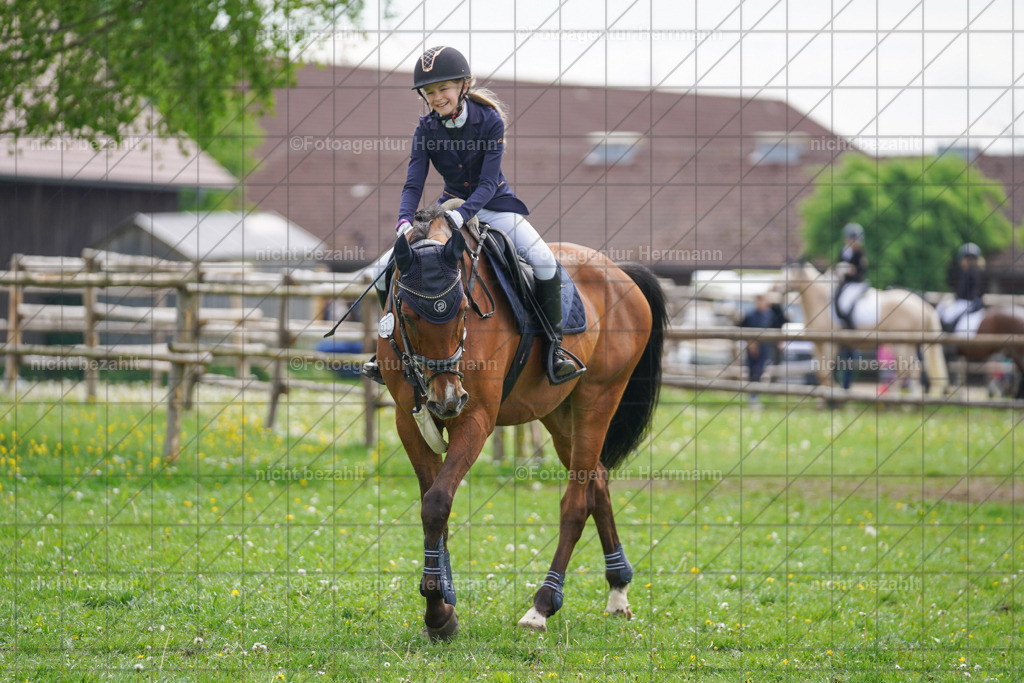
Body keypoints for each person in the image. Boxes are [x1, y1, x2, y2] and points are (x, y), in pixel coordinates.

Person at [362, 46, 580, 384]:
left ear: (463, 85)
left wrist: (461, 216)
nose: (436, 97)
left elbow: (488, 182)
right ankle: (390, 349)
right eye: (429, 92)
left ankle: (555, 350)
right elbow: (412, 184)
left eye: (442, 89)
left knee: (543, 261)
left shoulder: (489, 120)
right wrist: (405, 221)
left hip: (494, 205)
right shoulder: (426, 129)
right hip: (448, 208)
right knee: (379, 272)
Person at [937, 243, 985, 332]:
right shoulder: (978, 271)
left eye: (962, 259)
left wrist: (955, 297)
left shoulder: (969, 273)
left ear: (967, 259)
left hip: (966, 302)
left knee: (945, 315)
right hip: (974, 302)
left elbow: (962, 292)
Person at [740, 293, 775, 407]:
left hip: (764, 348)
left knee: (759, 371)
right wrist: (750, 343)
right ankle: (752, 397)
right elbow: (742, 329)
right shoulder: (750, 315)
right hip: (752, 348)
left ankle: (755, 396)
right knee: (751, 372)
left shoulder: (769, 315)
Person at [834, 222, 869, 329]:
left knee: (846, 304)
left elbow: (862, 269)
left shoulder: (860, 253)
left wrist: (852, 270)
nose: (855, 242)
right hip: (844, 284)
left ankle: (850, 326)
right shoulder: (843, 251)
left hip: (856, 283)